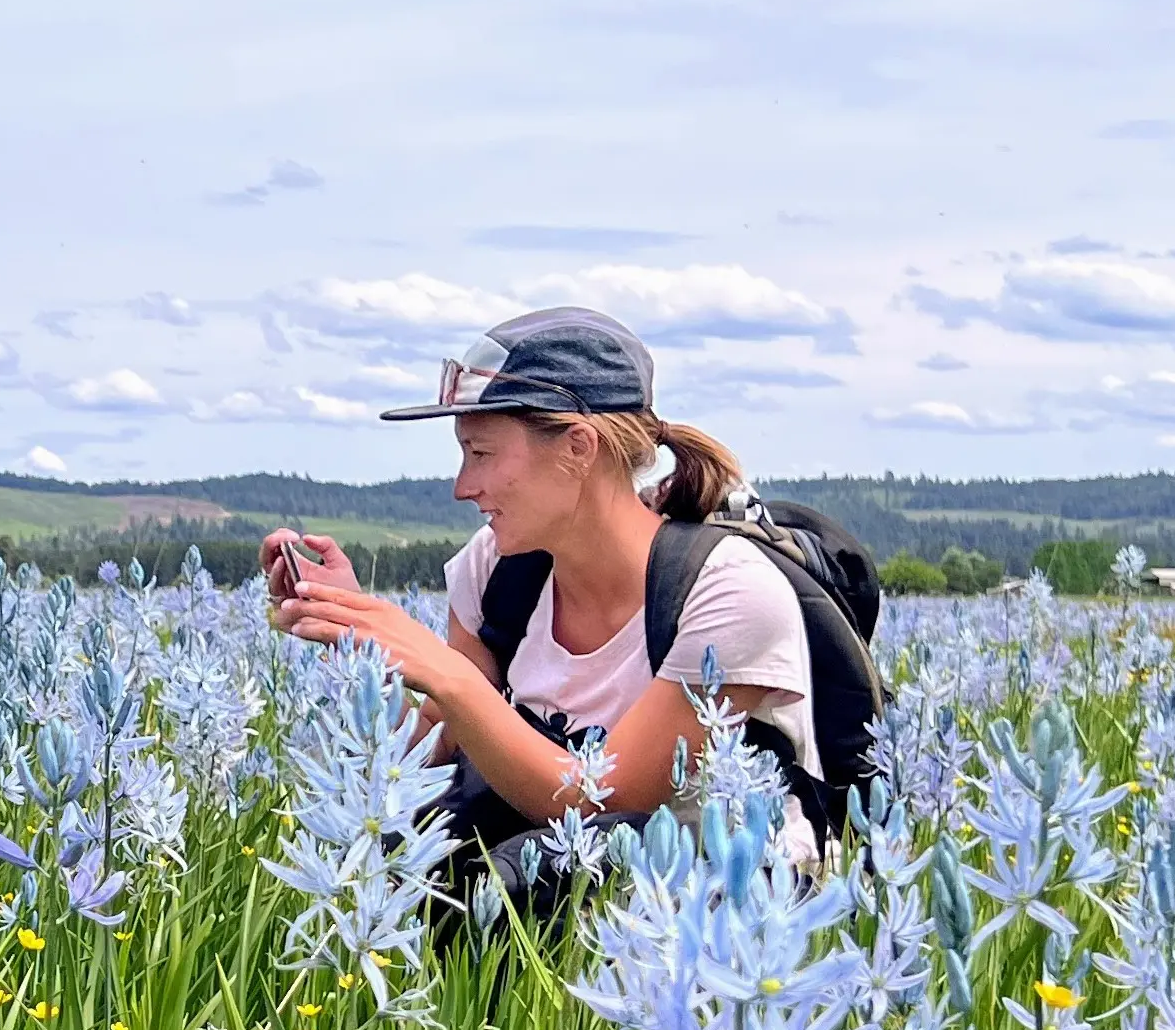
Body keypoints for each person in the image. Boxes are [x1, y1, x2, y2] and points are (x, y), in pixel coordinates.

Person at [263, 305, 825, 870]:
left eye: (481, 453)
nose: (463, 486)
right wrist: (354, 634)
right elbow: (433, 755)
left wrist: (447, 674)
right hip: (542, 886)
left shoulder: (729, 594)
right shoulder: (494, 569)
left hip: (714, 916)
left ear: (578, 447)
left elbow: (608, 803)